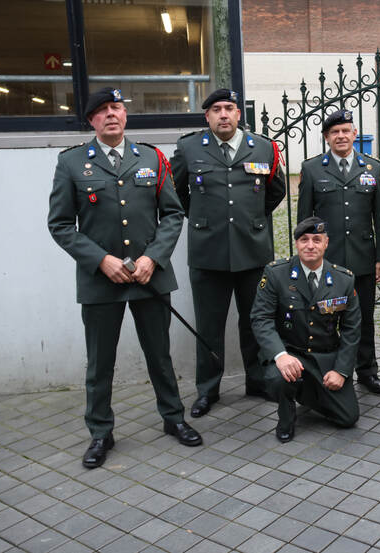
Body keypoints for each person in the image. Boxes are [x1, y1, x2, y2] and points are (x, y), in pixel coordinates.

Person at [47, 87, 202, 469]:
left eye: (116, 107)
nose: (110, 114)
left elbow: (172, 214)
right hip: (101, 281)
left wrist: (153, 257)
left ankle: (173, 418)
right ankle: (101, 432)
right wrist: (101, 261)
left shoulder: (151, 157)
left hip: (150, 277)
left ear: (125, 115)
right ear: (91, 121)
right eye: (101, 111)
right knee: (100, 362)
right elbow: (61, 224)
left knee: (159, 355)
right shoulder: (71, 164)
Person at [170, 88, 286, 418]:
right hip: (208, 254)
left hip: (253, 252)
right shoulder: (189, 148)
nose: (223, 114)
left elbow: (275, 190)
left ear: (239, 114)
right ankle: (208, 389)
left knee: (256, 321)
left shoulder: (263, 147)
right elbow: (175, 192)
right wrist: (204, 219)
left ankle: (260, 380)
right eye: (217, 109)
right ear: (207, 116)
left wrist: (252, 221)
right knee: (209, 325)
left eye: (230, 108)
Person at [297, 109, 380, 395]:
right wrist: (307, 259)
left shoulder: (372, 168)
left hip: (363, 258)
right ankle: (331, 370)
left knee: (363, 317)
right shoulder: (312, 169)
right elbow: (304, 220)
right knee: (325, 318)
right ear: (327, 137)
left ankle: (367, 370)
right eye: (334, 132)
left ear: (354, 134)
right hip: (328, 260)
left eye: (345, 130)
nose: (341, 136)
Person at [250, 217, 361, 442]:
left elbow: (351, 329)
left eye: (316, 240)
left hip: (325, 356)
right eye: (304, 240)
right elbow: (260, 318)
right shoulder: (275, 274)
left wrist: (341, 370)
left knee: (348, 417)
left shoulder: (344, 279)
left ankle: (306, 389)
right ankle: (286, 413)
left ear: (326, 243)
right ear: (297, 243)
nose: (310, 245)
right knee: (278, 378)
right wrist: (280, 356)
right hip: (290, 351)